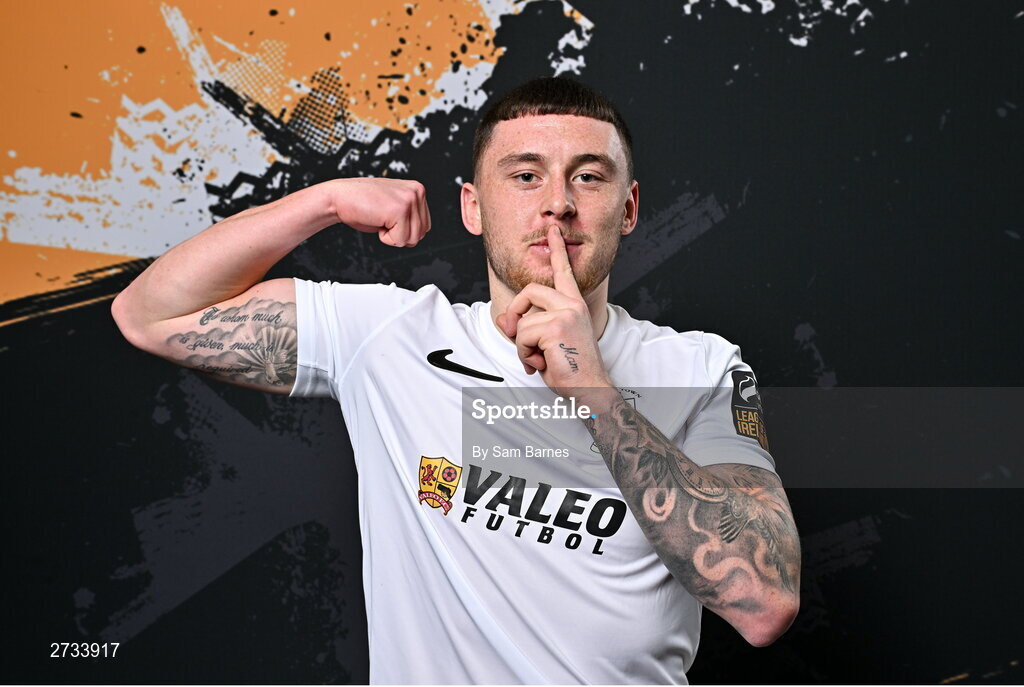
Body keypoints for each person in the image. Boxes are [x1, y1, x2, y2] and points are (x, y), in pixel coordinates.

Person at [112, 76, 801, 684]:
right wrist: (319, 203)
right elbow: (149, 315)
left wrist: (592, 388)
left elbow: (766, 602)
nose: (557, 203)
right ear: (473, 207)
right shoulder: (391, 339)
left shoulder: (705, 368)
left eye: (588, 176)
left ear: (628, 207)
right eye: (525, 175)